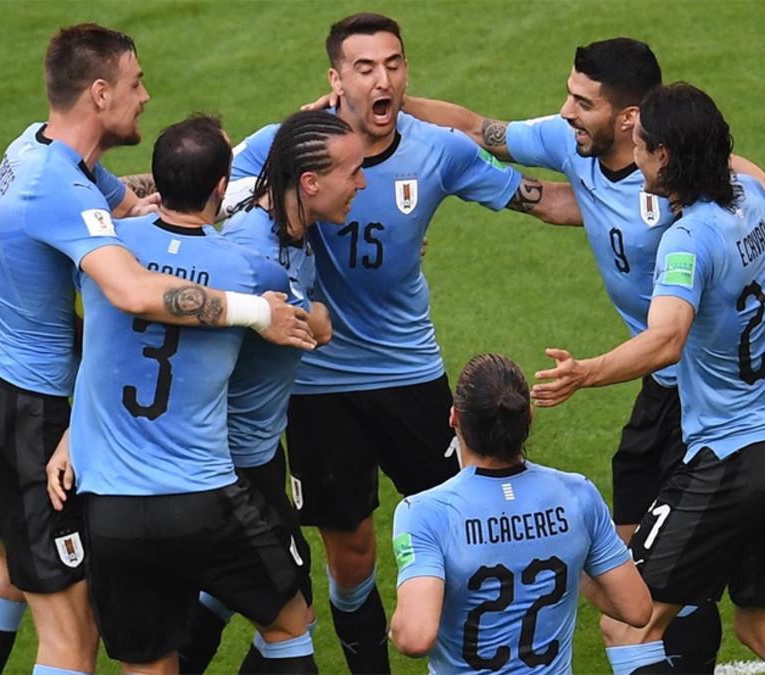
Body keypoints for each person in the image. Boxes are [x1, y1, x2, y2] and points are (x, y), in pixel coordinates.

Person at [395, 37, 765, 671]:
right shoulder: (578, 145)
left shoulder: (689, 230)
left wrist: (587, 371)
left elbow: (676, 323)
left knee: (636, 607)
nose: (565, 110)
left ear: (634, 123)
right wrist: (392, 105)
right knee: (626, 551)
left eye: (582, 101)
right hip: (711, 409)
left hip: (702, 404)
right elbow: (483, 129)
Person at [0, 23, 313, 675]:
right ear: (102, 92)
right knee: (71, 635)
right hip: (23, 409)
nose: (145, 96)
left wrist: (251, 157)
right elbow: (135, 290)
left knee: (10, 570)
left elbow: (145, 202)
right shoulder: (61, 188)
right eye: (137, 83)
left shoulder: (37, 150)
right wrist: (257, 312)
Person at [226, 15, 581, 673]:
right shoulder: (285, 147)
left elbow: (542, 201)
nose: (383, 79)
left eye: (393, 63)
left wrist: (655, 201)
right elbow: (199, 187)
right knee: (351, 552)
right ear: (334, 80)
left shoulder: (437, 150)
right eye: (364, 68)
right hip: (318, 384)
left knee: (465, 527)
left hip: (410, 374)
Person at [532, 83, 765, 675]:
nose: (636, 154)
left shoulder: (686, 239)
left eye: (643, 145)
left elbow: (666, 339)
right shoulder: (751, 198)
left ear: (666, 157)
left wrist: (586, 372)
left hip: (731, 460)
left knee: (630, 620)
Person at [62, 115, 317, 675]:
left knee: (148, 664)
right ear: (222, 186)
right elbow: (311, 324)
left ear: (155, 179)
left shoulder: (106, 250)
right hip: (201, 499)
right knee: (290, 622)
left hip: (110, 507)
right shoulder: (246, 270)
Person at [176, 110, 362, 671]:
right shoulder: (255, 256)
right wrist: (317, 313)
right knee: (292, 606)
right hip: (228, 459)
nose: (362, 183)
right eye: (353, 173)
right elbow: (318, 329)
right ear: (309, 184)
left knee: (228, 586)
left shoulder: (279, 214)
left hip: (253, 450)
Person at [389, 353, 652, 674]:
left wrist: (398, 627)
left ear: (454, 417)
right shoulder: (578, 495)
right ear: (528, 416)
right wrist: (571, 557)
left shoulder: (423, 512)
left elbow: (415, 638)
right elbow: (637, 609)